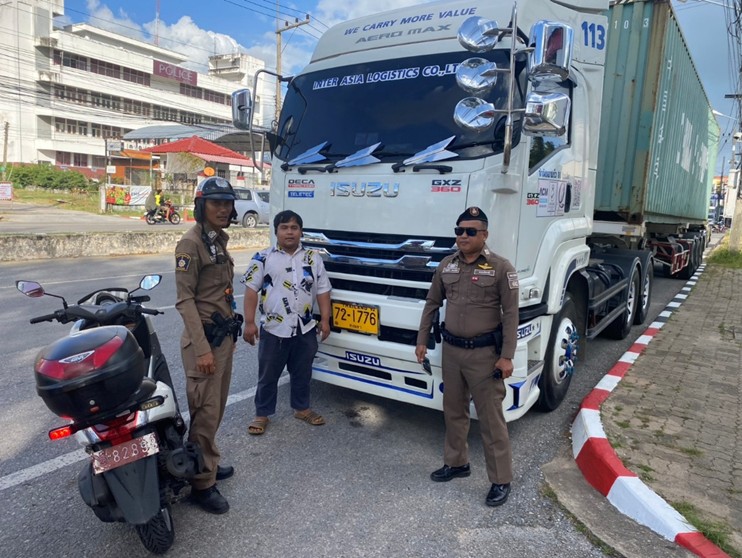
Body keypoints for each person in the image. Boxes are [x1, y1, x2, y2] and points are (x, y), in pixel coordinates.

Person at [415, 207, 519, 508]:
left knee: (491, 419)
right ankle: (457, 463)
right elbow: (432, 303)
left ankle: (500, 480)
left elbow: (511, 315)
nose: (463, 236)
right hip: (452, 351)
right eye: (459, 230)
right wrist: (422, 339)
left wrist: (507, 356)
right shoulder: (447, 265)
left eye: (470, 231)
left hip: (485, 355)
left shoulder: (501, 267)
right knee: (453, 411)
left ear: (484, 235)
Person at [174, 176, 243, 514]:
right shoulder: (190, 244)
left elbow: (220, 294)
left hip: (221, 339)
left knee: (214, 410)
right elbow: (185, 301)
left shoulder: (216, 240)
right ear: (202, 206)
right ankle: (202, 485)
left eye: (228, 203)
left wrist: (230, 336)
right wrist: (202, 349)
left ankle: (206, 463)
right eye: (216, 203)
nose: (224, 209)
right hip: (204, 343)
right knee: (205, 412)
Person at [242, 210, 331, 435]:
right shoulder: (262, 258)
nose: (289, 232)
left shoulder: (313, 258)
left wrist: (326, 319)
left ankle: (302, 408)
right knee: (268, 374)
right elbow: (251, 291)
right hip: (274, 328)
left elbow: (323, 290)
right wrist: (249, 322)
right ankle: (262, 414)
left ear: (301, 232)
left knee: (302, 372)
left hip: (305, 327)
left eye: (294, 228)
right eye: (284, 227)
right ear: (276, 231)